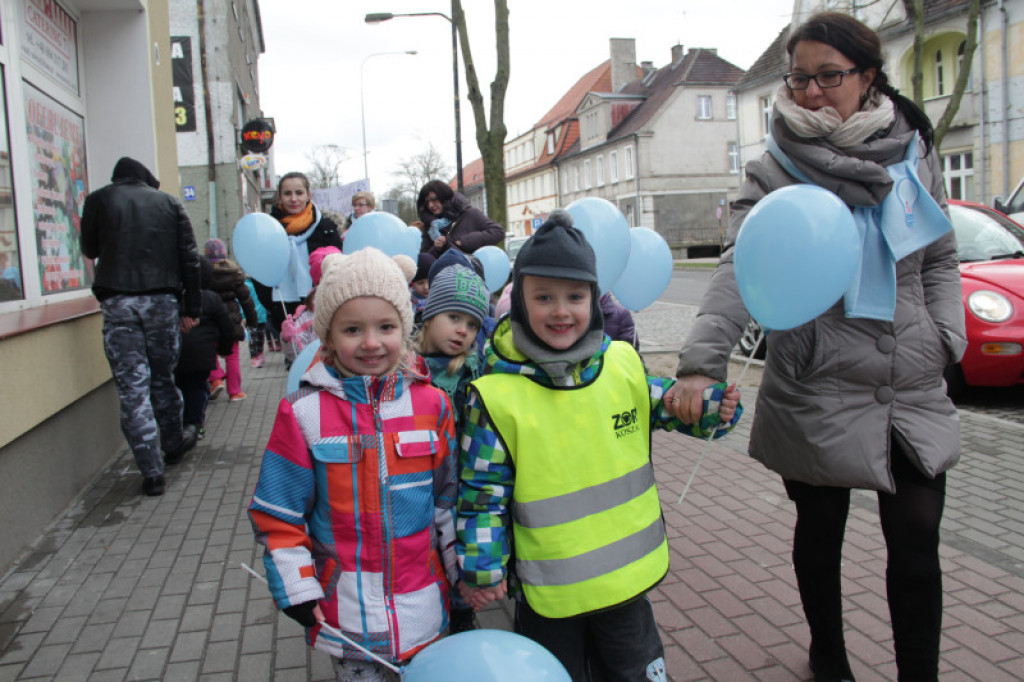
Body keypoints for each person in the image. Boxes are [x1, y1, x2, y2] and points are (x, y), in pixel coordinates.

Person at [670, 12, 965, 682]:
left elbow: (941, 256)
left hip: (908, 379)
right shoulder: (774, 167)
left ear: (867, 78)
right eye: (798, 78)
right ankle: (827, 654)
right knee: (820, 531)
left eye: (828, 77)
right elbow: (738, 267)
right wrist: (699, 364)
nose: (809, 93)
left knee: (919, 543)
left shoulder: (916, 150)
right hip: (816, 379)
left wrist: (948, 334)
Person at [456, 211, 741, 681]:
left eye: (574, 296)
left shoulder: (623, 365)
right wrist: (482, 570)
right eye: (543, 297)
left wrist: (711, 407)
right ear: (521, 303)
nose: (561, 311)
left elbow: (670, 404)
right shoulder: (495, 396)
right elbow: (482, 492)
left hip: (625, 582)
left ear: (594, 298)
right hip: (549, 592)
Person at [249, 248, 458, 681]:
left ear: (406, 328)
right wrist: (298, 588)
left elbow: (448, 501)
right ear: (327, 336)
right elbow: (278, 514)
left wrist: (465, 573)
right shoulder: (304, 413)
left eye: (386, 326)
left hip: (424, 607)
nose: (370, 342)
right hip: (349, 619)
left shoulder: (432, 405)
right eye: (352, 329)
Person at [80, 156, 200, 496]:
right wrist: (192, 307)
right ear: (146, 179)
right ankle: (174, 444)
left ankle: (151, 473)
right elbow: (189, 258)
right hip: (162, 301)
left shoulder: (98, 200)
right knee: (163, 377)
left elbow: (89, 248)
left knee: (132, 388)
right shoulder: (168, 203)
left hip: (117, 302)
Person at [411, 263, 490, 634]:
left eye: (472, 324)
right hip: (417, 475)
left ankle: (461, 612)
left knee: (456, 544)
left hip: (460, 476)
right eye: (454, 317)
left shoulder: (474, 371)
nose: (463, 330)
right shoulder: (407, 368)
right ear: (429, 315)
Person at [252, 172, 343, 339]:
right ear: (280, 196)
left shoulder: (325, 227)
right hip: (283, 308)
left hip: (320, 306)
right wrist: (272, 305)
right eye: (287, 193)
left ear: (308, 194)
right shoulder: (267, 229)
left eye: (299, 193)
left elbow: (339, 266)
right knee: (293, 360)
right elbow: (259, 269)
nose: (294, 199)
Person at [174, 256, 235, 447]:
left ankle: (180, 426)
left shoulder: (173, 299)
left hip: (175, 354)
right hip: (201, 356)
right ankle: (194, 424)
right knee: (198, 390)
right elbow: (226, 327)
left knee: (179, 389)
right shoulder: (211, 298)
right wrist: (225, 349)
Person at [204, 239, 258, 402]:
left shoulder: (204, 274)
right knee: (232, 357)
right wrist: (251, 320)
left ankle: (216, 378)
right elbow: (246, 300)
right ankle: (235, 392)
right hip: (231, 322)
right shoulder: (234, 274)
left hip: (210, 322)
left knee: (210, 354)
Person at [416, 180, 505, 258]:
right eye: (427, 202)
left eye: (434, 199)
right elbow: (424, 259)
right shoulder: (430, 227)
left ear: (444, 197)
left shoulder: (470, 214)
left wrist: (464, 241)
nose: (430, 205)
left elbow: (498, 232)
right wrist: (436, 248)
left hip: (471, 273)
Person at [245, 277, 268, 368]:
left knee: (260, 336)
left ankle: (259, 353)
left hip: (261, 315)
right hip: (251, 315)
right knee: (253, 337)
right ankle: (254, 357)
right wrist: (243, 315)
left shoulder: (261, 284)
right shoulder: (247, 285)